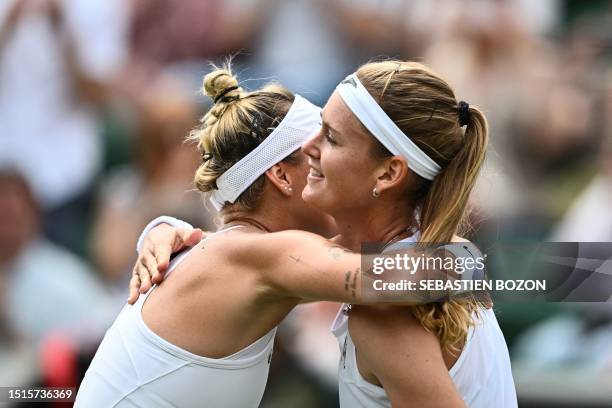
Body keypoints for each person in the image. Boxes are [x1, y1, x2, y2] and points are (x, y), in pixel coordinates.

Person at [134, 61, 517, 407]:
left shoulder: (383, 319)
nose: (309, 146)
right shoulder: (445, 254)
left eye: (331, 137)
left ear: (387, 174)